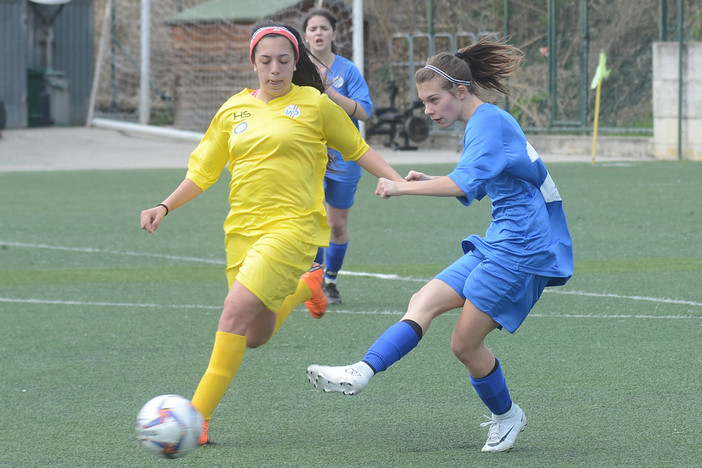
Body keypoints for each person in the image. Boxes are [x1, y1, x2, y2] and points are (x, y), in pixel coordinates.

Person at [140, 21, 403, 445]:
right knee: (254, 335)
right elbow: (204, 172)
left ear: (295, 61)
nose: (275, 70)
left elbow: (358, 149)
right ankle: (308, 287)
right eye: (266, 61)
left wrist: (399, 181)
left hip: (293, 229)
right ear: (253, 63)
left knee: (231, 312)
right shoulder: (233, 110)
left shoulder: (315, 104)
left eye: (284, 61)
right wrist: (164, 205)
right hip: (242, 232)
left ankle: (196, 418)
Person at [307, 37, 573, 453]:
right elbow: (474, 185)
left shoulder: (488, 123)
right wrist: (427, 179)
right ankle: (361, 371)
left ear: (460, 92)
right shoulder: (483, 124)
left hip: (523, 249)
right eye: (425, 102)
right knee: (424, 299)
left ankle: (507, 416)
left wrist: (400, 187)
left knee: (464, 345)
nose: (428, 110)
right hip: (501, 240)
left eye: (434, 100)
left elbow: (464, 184)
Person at [302, 8, 373, 305]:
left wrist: (331, 92)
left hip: (344, 157)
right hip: (310, 155)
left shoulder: (348, 71)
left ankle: (330, 280)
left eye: (323, 28)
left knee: (337, 224)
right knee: (312, 220)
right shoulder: (297, 70)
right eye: (312, 29)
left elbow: (365, 112)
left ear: (333, 33)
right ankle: (314, 283)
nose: (318, 33)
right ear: (305, 36)